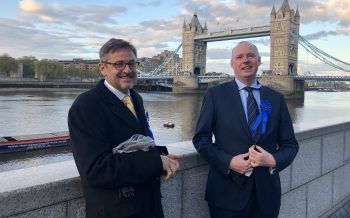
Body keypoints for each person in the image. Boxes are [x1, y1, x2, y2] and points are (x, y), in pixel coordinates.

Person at [68, 38, 180, 218]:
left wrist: (160, 156)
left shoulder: (135, 98)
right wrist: (155, 162)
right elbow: (96, 170)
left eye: (132, 64)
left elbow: (137, 145)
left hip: (148, 207)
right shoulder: (86, 106)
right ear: (103, 68)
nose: (127, 70)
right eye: (119, 64)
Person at [192, 41, 299, 218]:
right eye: (239, 57)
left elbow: (290, 145)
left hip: (266, 198)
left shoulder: (276, 99)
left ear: (259, 61)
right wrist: (229, 162)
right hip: (226, 195)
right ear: (232, 63)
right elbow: (201, 139)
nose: (245, 60)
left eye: (250, 56)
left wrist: (273, 160)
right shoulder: (215, 95)